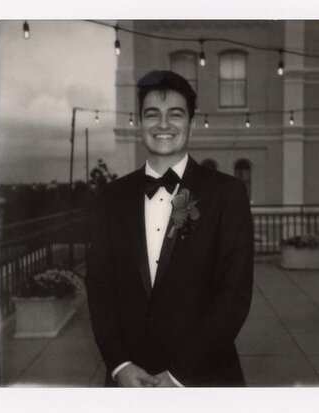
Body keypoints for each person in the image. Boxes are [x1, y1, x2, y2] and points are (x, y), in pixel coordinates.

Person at [86, 70, 254, 387]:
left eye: (175, 114)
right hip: (128, 381)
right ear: (139, 123)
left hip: (204, 377)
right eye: (152, 115)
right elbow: (99, 288)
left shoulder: (226, 194)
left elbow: (233, 295)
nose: (163, 124)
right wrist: (120, 365)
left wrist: (179, 375)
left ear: (191, 122)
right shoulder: (110, 198)